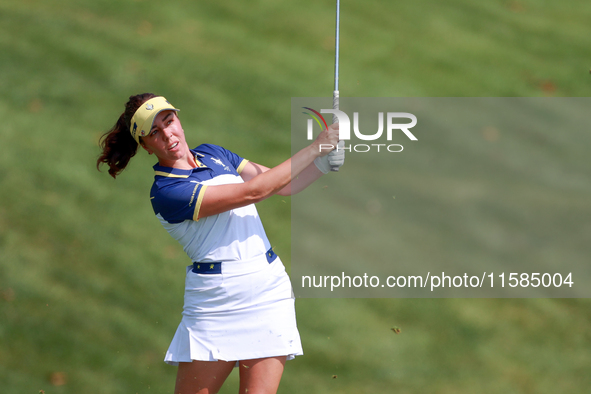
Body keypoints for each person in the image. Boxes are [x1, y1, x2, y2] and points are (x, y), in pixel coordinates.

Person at [96, 93, 343, 394]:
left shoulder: (214, 154)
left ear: (179, 120)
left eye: (169, 121)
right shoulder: (167, 191)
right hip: (216, 302)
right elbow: (254, 192)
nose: (167, 135)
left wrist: (323, 164)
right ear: (145, 146)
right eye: (154, 133)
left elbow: (282, 185)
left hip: (268, 289)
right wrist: (315, 148)